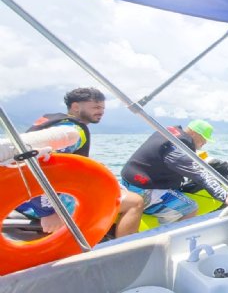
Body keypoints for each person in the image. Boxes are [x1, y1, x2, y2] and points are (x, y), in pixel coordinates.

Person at [14, 87, 144, 238]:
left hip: (22, 194)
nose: (101, 111)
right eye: (95, 107)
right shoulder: (73, 131)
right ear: (75, 107)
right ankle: (124, 252)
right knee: (134, 202)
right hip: (39, 202)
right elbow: (39, 166)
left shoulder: (53, 123)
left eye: (102, 108)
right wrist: (49, 212)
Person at [121, 120, 228, 225]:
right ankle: (169, 237)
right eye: (204, 138)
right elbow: (199, 175)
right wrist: (225, 197)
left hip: (128, 182)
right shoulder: (179, 147)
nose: (205, 142)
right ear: (193, 133)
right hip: (142, 190)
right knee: (191, 208)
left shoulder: (169, 134)